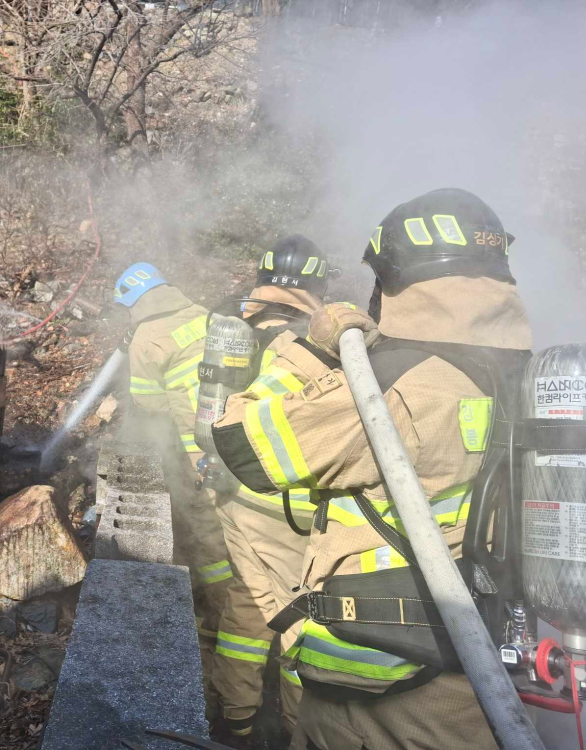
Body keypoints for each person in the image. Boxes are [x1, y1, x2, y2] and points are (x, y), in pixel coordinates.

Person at [212, 188, 533, 750]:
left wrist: (314, 350)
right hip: (484, 679)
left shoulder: (394, 385)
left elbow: (241, 442)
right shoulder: (527, 374)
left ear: (394, 279)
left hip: (384, 690)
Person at [211, 236, 333, 743]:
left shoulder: (233, 324)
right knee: (302, 619)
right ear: (317, 282)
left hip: (235, 495)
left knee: (247, 602)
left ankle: (235, 718)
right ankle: (295, 731)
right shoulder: (319, 339)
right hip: (291, 507)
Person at [114, 262, 233, 711]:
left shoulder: (146, 339)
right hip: (240, 439)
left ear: (132, 302)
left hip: (198, 454)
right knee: (236, 526)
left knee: (208, 535)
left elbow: (150, 404)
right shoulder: (203, 312)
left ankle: (223, 615)